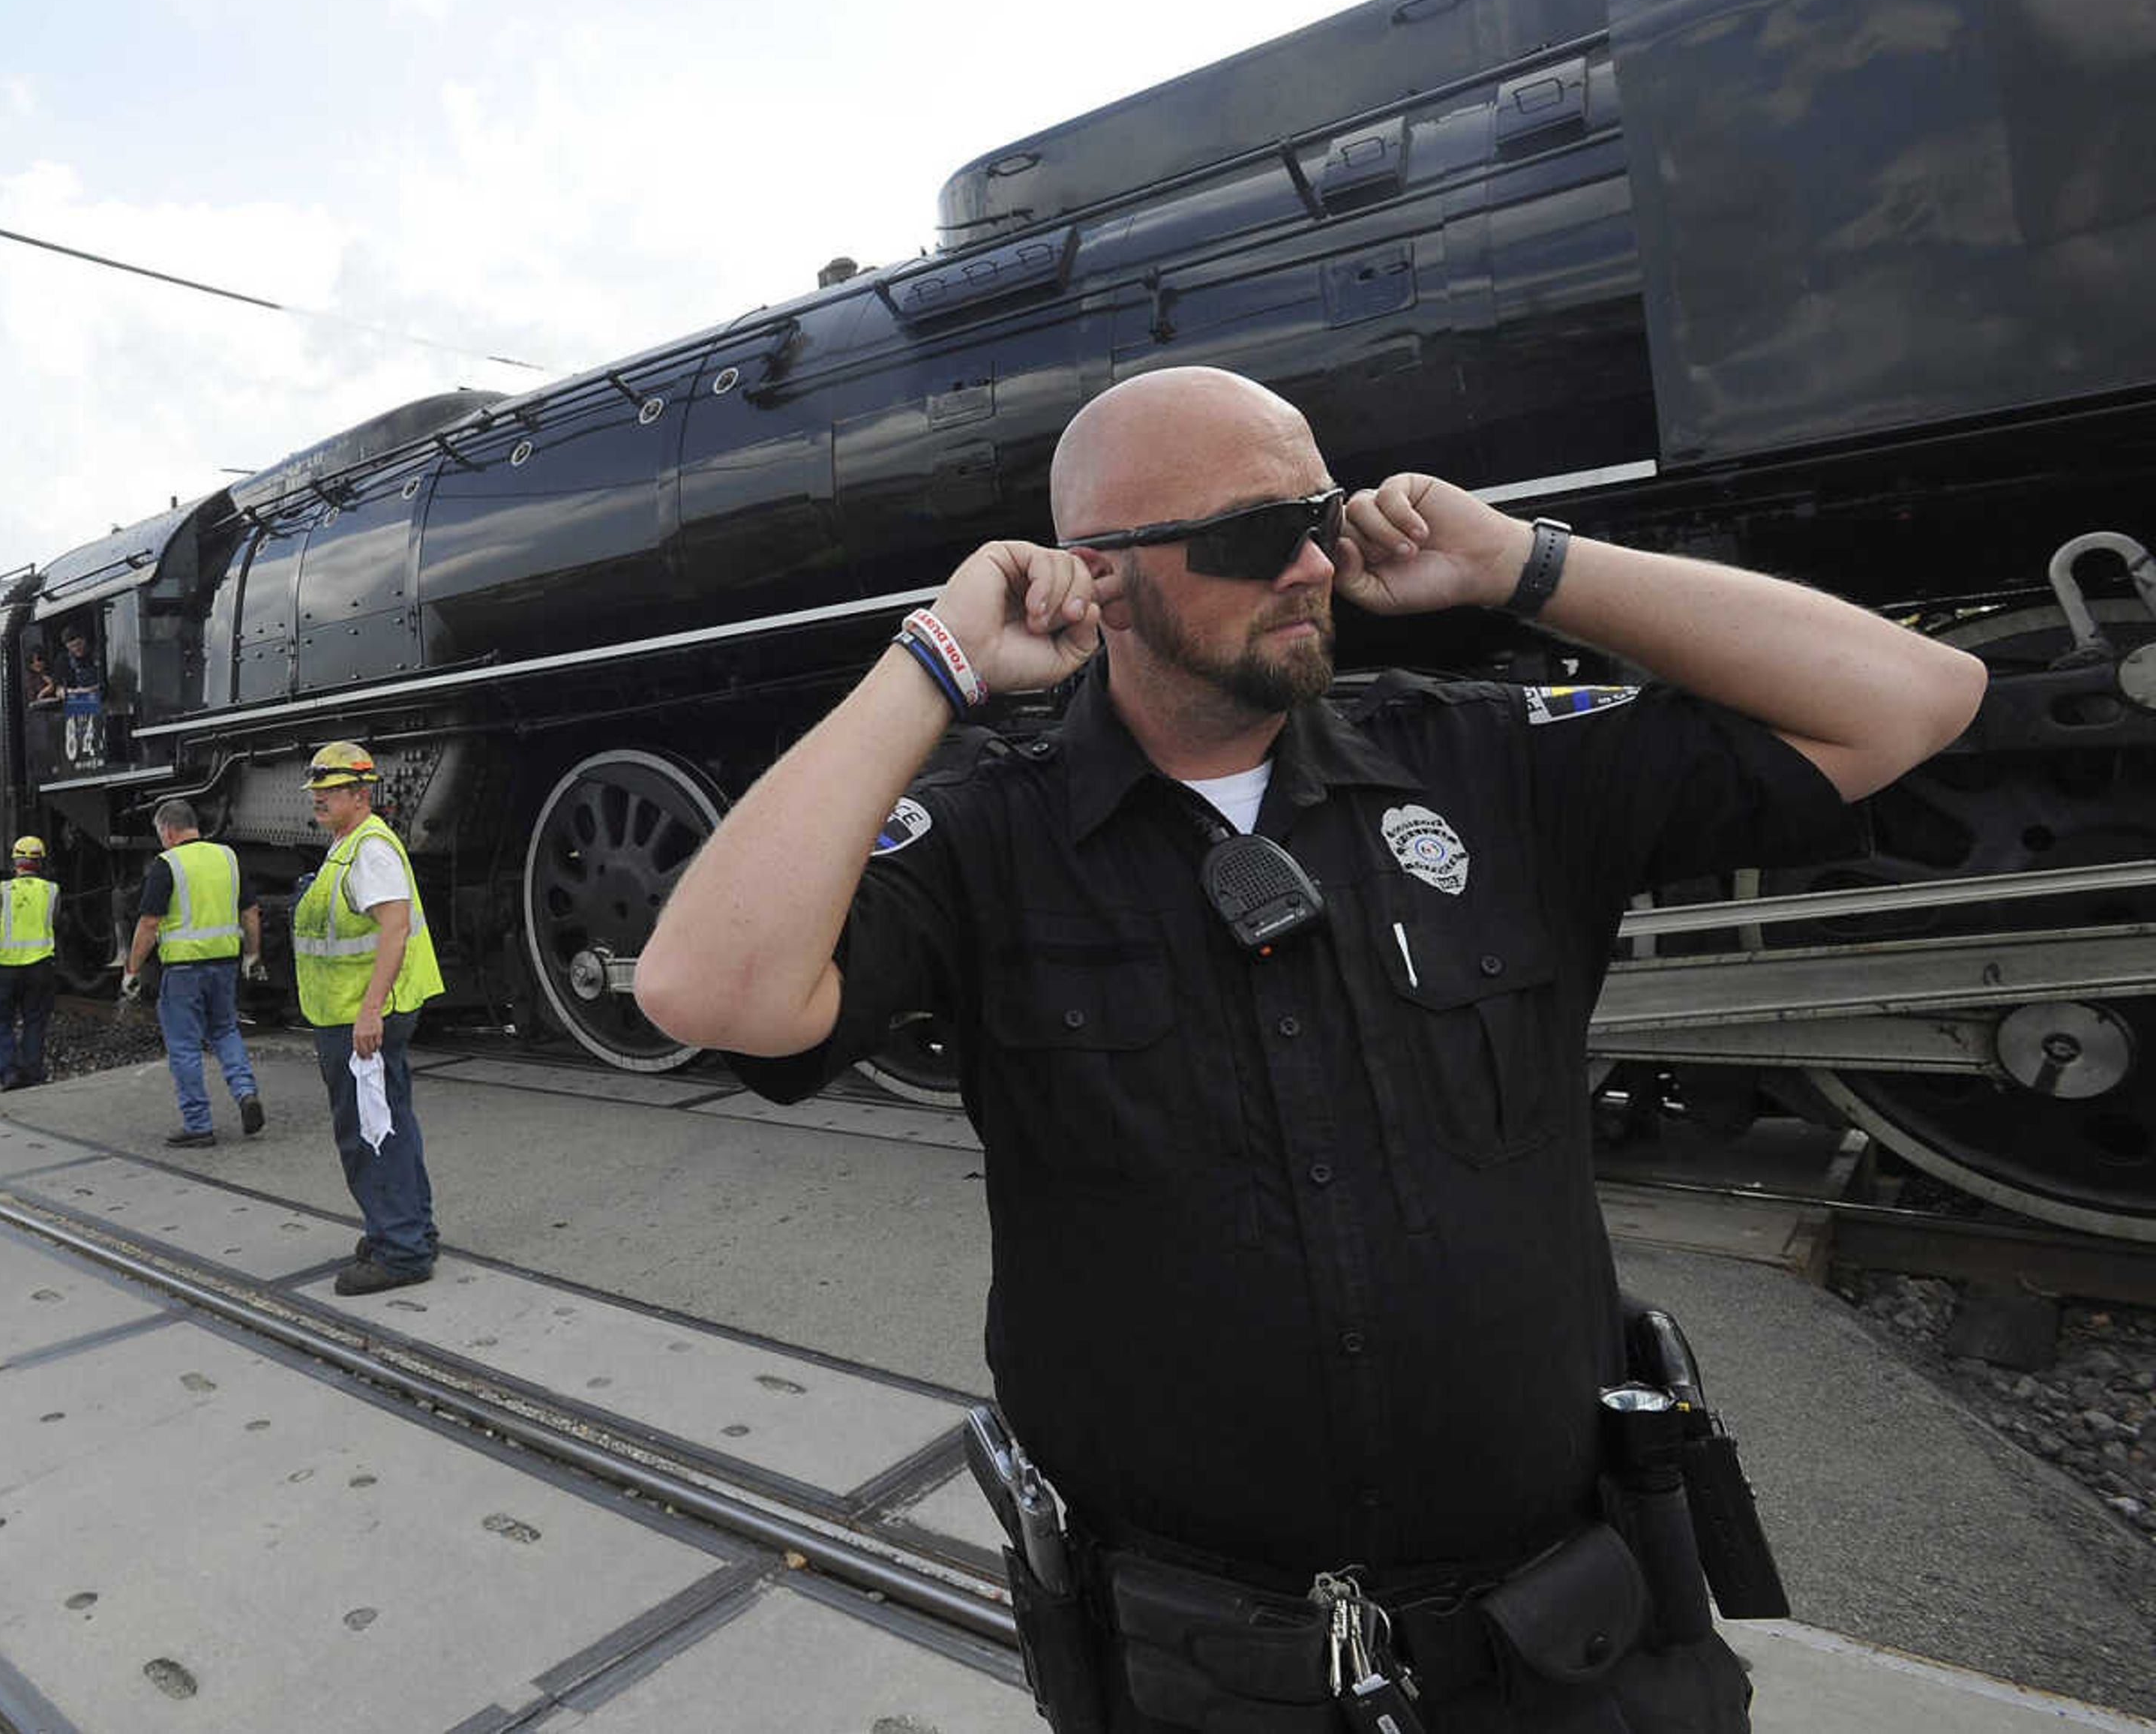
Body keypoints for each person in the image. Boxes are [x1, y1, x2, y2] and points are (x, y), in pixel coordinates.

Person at [634, 368, 1984, 1734]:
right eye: (1245, 534)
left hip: (1577, 1646)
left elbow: (1913, 699)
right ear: (1100, 576)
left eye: (1319, 513)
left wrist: (1523, 560)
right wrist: (934, 662)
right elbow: (711, 989)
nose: (1308, 562)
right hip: (1206, 1671)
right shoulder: (996, 831)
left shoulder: (1481, 759)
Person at [290, 741, 447, 1297]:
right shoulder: (349, 843)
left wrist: (369, 1009)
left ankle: (401, 1251)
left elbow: (395, 929)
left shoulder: (370, 848)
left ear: (362, 793)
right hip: (352, 1010)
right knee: (390, 1121)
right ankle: (408, 1229)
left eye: (330, 792)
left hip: (361, 1015)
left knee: (368, 1133)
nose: (320, 801)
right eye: (317, 792)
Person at [121, 797, 263, 1148]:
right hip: (224, 965)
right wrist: (253, 954)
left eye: (160, 834)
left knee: (184, 1046)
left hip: (184, 970)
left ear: (168, 831)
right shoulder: (227, 857)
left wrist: (131, 969)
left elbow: (149, 923)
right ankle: (246, 1092)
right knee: (226, 1030)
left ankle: (198, 1123)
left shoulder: (167, 864)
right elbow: (251, 913)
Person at [0, 835, 65, 1089]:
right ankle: (33, 1072)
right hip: (40, 968)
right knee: (35, 1021)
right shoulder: (52, 891)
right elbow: (54, 923)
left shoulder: (3, 890)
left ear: (16, 861)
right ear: (41, 862)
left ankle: (9, 1072)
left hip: (6, 969)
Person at [57, 628, 106, 767]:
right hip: (80, 703)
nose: (76, 649)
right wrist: (69, 692)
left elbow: (107, 683)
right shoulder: (64, 660)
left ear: (84, 640)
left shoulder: (97, 654)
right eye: (72, 647)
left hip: (99, 699)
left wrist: (85, 691)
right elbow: (58, 689)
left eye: (78, 644)